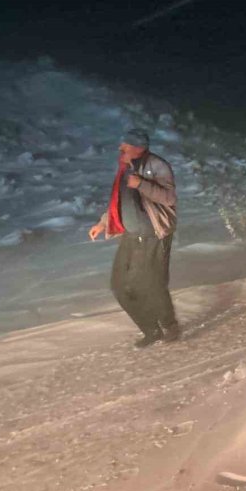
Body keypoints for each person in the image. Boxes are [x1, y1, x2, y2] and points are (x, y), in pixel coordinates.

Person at [88, 128, 181, 347]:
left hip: (152, 235)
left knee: (151, 283)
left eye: (126, 145)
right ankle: (151, 328)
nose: (121, 148)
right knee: (119, 286)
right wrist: (103, 222)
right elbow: (119, 200)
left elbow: (168, 198)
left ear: (139, 148)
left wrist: (141, 184)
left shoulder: (157, 166)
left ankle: (168, 326)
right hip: (130, 234)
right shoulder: (124, 168)